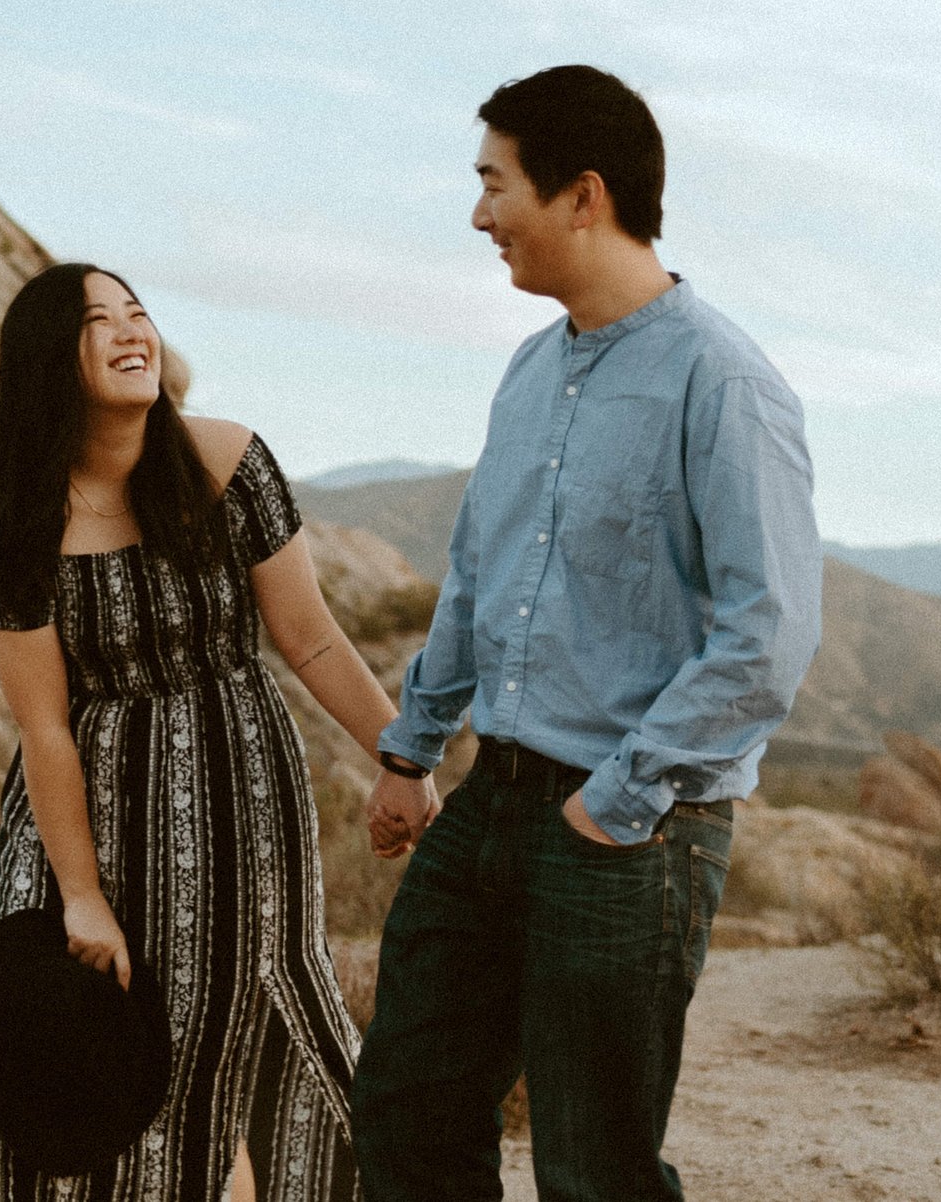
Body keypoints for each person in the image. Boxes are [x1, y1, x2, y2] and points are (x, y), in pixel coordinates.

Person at [352, 65, 822, 1201]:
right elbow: (476, 575)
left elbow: (767, 634)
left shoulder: (725, 381)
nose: (477, 215)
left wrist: (618, 798)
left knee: (592, 1166)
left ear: (582, 194)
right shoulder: (529, 370)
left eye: (493, 182)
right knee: (404, 1119)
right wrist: (411, 750)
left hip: (628, 827)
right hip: (489, 804)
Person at [0, 262, 414, 1202]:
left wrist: (404, 755)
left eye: (138, 312)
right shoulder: (17, 523)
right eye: (98, 321)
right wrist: (79, 895)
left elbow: (311, 641)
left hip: (236, 800)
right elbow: (44, 728)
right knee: (66, 1042)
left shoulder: (227, 460)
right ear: (47, 359)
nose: (131, 332)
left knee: (221, 1042)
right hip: (82, 811)